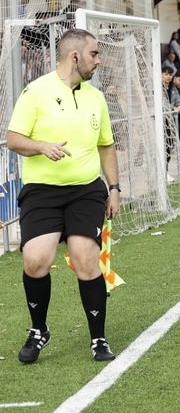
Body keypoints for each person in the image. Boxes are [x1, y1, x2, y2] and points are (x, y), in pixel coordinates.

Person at [7, 28, 121, 363]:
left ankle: (98, 339)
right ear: (75, 56)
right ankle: (39, 330)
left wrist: (114, 188)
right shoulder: (35, 92)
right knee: (35, 260)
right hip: (41, 192)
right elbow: (14, 138)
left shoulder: (95, 98)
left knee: (85, 258)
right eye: (94, 54)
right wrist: (42, 147)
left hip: (85, 190)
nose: (97, 61)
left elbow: (107, 146)